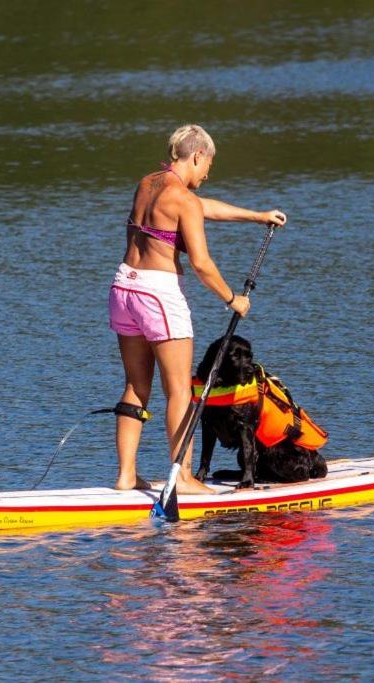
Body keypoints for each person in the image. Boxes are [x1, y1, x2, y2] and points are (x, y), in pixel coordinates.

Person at [108, 124, 287, 493]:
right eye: (209, 165)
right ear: (197, 155)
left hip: (124, 286)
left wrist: (257, 216)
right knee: (180, 390)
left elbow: (202, 208)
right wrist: (231, 299)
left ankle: (126, 476)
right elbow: (202, 264)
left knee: (136, 386)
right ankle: (184, 478)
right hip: (159, 293)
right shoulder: (184, 200)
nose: (208, 173)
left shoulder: (148, 183)